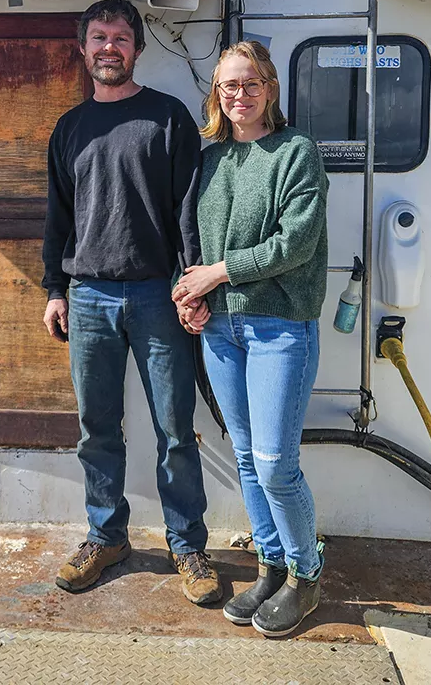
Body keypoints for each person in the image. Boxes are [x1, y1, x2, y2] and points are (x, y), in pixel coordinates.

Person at [42, 0, 221, 605]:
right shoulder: (68, 128)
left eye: (120, 38)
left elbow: (187, 212)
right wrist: (54, 289)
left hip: (156, 295)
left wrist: (192, 285)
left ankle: (188, 546)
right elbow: (57, 219)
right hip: (88, 296)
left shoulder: (168, 117)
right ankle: (105, 535)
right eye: (99, 37)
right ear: (83, 48)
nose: (109, 48)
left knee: (175, 430)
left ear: (137, 49)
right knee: (97, 429)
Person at [171, 41, 329, 637]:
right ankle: (271, 565)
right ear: (217, 93)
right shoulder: (210, 162)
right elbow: (198, 246)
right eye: (228, 85)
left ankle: (306, 576)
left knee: (274, 463)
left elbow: (298, 242)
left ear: (270, 88)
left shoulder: (297, 152)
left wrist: (218, 273)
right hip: (222, 328)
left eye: (250, 83)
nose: (239, 94)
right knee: (244, 455)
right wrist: (195, 296)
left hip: (279, 329)